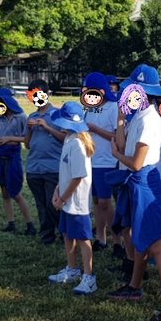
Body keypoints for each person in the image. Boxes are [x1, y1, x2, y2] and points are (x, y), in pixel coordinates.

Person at [107, 64, 161, 321]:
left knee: (156, 245)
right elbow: (120, 141)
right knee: (137, 236)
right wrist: (119, 118)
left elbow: (136, 162)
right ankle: (135, 285)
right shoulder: (137, 117)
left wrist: (117, 156)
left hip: (144, 183)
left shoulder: (150, 119)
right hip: (136, 182)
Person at [48, 101, 97, 295]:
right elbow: (66, 172)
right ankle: (72, 269)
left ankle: (89, 276)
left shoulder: (77, 144)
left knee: (83, 239)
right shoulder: (69, 138)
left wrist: (63, 198)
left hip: (78, 202)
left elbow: (78, 176)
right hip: (67, 198)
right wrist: (58, 191)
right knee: (67, 234)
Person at [0, 91, 35, 235]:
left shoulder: (20, 118)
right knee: (4, 193)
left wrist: (9, 138)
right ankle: (10, 222)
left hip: (13, 157)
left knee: (16, 192)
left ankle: (29, 224)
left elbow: (26, 139)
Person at [81, 72, 121, 250]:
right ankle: (101, 238)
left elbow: (117, 136)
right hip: (91, 160)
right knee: (97, 201)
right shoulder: (88, 108)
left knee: (106, 202)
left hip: (107, 161)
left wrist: (95, 129)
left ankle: (118, 241)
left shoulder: (114, 107)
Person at [24, 79, 64, 245]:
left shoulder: (57, 115)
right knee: (41, 204)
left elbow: (64, 138)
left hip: (52, 167)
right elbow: (26, 144)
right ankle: (47, 235)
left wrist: (47, 127)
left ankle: (63, 233)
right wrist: (28, 128)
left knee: (52, 203)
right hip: (34, 167)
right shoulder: (31, 116)